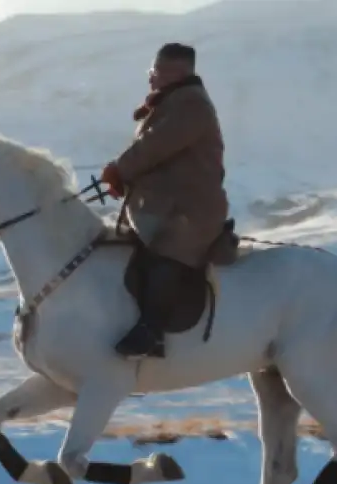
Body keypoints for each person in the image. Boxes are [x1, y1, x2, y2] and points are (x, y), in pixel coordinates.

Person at [100, 42, 230, 359]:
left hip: (190, 211)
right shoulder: (174, 101)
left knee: (166, 254)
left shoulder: (191, 105)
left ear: (177, 72)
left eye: (155, 71)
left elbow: (155, 146)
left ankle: (151, 333)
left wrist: (120, 169)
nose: (151, 79)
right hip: (167, 205)